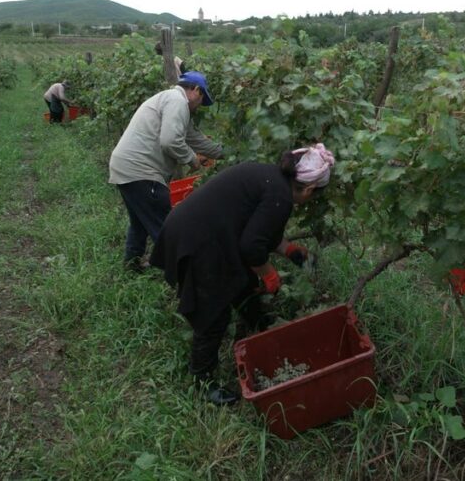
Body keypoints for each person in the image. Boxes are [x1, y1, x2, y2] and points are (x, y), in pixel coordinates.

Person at [149, 144, 335, 405]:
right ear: (308, 189)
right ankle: (202, 379)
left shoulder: (269, 177)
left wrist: (288, 249)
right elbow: (251, 247)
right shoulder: (280, 197)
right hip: (198, 240)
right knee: (213, 312)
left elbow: (255, 227)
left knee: (242, 282)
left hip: (193, 228)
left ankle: (262, 325)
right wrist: (270, 275)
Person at [108, 71, 223, 273]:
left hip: (126, 167)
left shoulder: (173, 103)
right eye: (202, 99)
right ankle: (184, 274)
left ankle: (131, 267)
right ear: (195, 90)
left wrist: (225, 153)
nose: (199, 106)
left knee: (139, 223)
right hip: (141, 170)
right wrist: (193, 160)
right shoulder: (177, 101)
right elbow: (170, 141)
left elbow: (195, 139)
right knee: (166, 226)